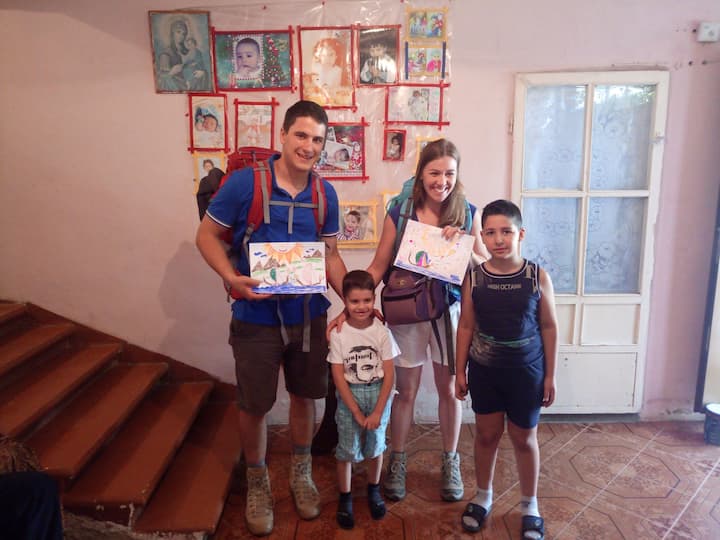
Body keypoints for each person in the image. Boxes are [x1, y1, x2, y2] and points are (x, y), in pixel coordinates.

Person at [196, 100, 347, 537]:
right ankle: (258, 481)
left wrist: (356, 301)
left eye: (316, 139)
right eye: (301, 135)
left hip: (308, 315)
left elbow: (330, 255)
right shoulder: (245, 184)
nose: (308, 146)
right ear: (282, 135)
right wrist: (231, 279)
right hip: (255, 315)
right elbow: (206, 236)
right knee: (255, 404)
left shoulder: (325, 194)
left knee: (305, 396)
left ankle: (301, 472)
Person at [329, 139, 488, 503]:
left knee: (449, 391)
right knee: (405, 392)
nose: (442, 181)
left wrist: (464, 245)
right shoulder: (401, 211)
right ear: (421, 174)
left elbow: (484, 266)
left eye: (449, 173)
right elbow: (378, 266)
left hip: (449, 313)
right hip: (407, 313)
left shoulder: (467, 213)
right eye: (434, 173)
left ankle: (450, 461)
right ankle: (397, 460)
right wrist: (352, 304)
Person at [455, 200, 558, 539]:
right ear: (482, 236)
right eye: (490, 233)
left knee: (524, 439)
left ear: (520, 234)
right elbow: (466, 326)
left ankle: (530, 505)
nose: (498, 240)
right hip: (485, 372)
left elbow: (549, 327)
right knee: (486, 436)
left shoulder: (537, 276)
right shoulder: (475, 277)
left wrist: (550, 375)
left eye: (506, 232)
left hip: (527, 373)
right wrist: (459, 371)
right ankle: (483, 496)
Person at [328, 270, 398, 530]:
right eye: (354, 301)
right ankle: (345, 497)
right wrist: (356, 412)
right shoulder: (339, 334)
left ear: (374, 299)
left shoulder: (382, 332)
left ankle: (373, 489)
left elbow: (389, 375)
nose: (361, 306)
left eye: (367, 300)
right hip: (350, 396)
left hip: (378, 394)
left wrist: (378, 411)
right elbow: (338, 376)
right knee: (346, 449)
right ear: (345, 302)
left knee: (376, 446)